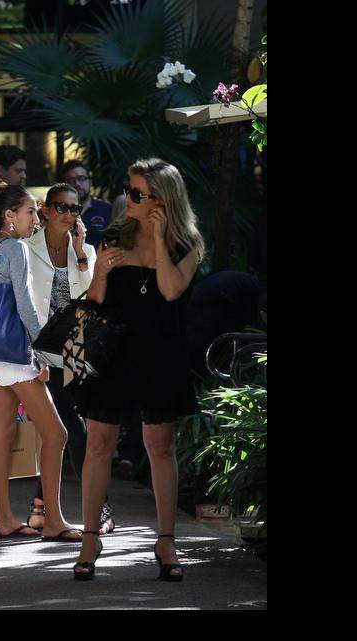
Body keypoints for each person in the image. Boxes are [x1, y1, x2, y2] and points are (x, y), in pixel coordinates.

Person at [71, 158, 203, 581]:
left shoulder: (189, 244)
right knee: (98, 445)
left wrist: (160, 238)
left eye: (137, 194)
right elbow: (93, 301)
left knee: (159, 446)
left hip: (159, 354)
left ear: (163, 202)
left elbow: (169, 290)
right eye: (128, 191)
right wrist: (102, 273)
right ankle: (91, 537)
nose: (127, 199)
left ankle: (166, 540)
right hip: (113, 353)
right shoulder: (114, 235)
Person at [0, 181, 81, 543]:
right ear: (9, 215)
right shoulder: (17, 249)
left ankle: (5, 519)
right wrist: (40, 353)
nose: (36, 217)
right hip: (15, 354)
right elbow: (26, 307)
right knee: (57, 433)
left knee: (2, 434)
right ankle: (52, 521)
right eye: (30, 210)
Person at [21, 183, 115, 534]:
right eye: (61, 207)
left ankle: (39, 506)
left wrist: (80, 254)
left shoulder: (86, 251)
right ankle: (98, 508)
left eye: (75, 209)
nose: (68, 214)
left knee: (63, 429)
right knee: (72, 430)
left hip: (75, 350)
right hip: (40, 350)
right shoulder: (26, 249)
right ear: (45, 210)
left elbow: (92, 299)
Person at [59, 159, 112, 249]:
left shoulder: (107, 210)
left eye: (81, 179)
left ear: (90, 182)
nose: (77, 184)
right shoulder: (59, 212)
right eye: (71, 180)